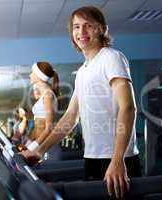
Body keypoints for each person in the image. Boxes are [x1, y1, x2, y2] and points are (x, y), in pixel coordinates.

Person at [22, 6, 141, 199]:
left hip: (118, 159)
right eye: (76, 27)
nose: (81, 32)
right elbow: (70, 117)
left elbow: (128, 107)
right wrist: (39, 150)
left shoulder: (111, 57)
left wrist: (118, 160)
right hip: (93, 158)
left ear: (101, 29)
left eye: (88, 26)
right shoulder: (83, 71)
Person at [25, 61, 60, 153]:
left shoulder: (48, 95)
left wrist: (31, 148)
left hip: (46, 149)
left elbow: (49, 128)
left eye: (32, 72)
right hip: (39, 146)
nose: (30, 75)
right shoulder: (45, 94)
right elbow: (38, 125)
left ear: (38, 75)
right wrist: (28, 143)